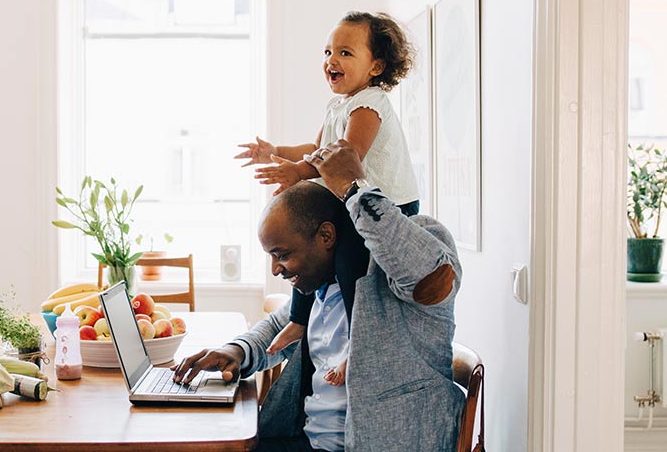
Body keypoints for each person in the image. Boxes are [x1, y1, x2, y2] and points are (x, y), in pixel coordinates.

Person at [174, 140, 464, 451]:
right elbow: (276, 327)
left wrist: (354, 189)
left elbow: (430, 278)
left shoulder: (415, 245)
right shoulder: (325, 283)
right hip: (309, 441)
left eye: (282, 255)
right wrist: (237, 350)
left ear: (326, 235)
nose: (275, 270)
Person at [235, 11, 420, 369]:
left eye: (345, 53)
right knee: (307, 253)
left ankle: (356, 343)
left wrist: (299, 172)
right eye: (327, 52)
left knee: (349, 261)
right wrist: (274, 150)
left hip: (386, 207)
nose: (331, 60)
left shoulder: (370, 105)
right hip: (350, 202)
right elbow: (315, 148)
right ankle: (298, 320)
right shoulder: (338, 105)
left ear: (376, 66)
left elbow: (344, 157)